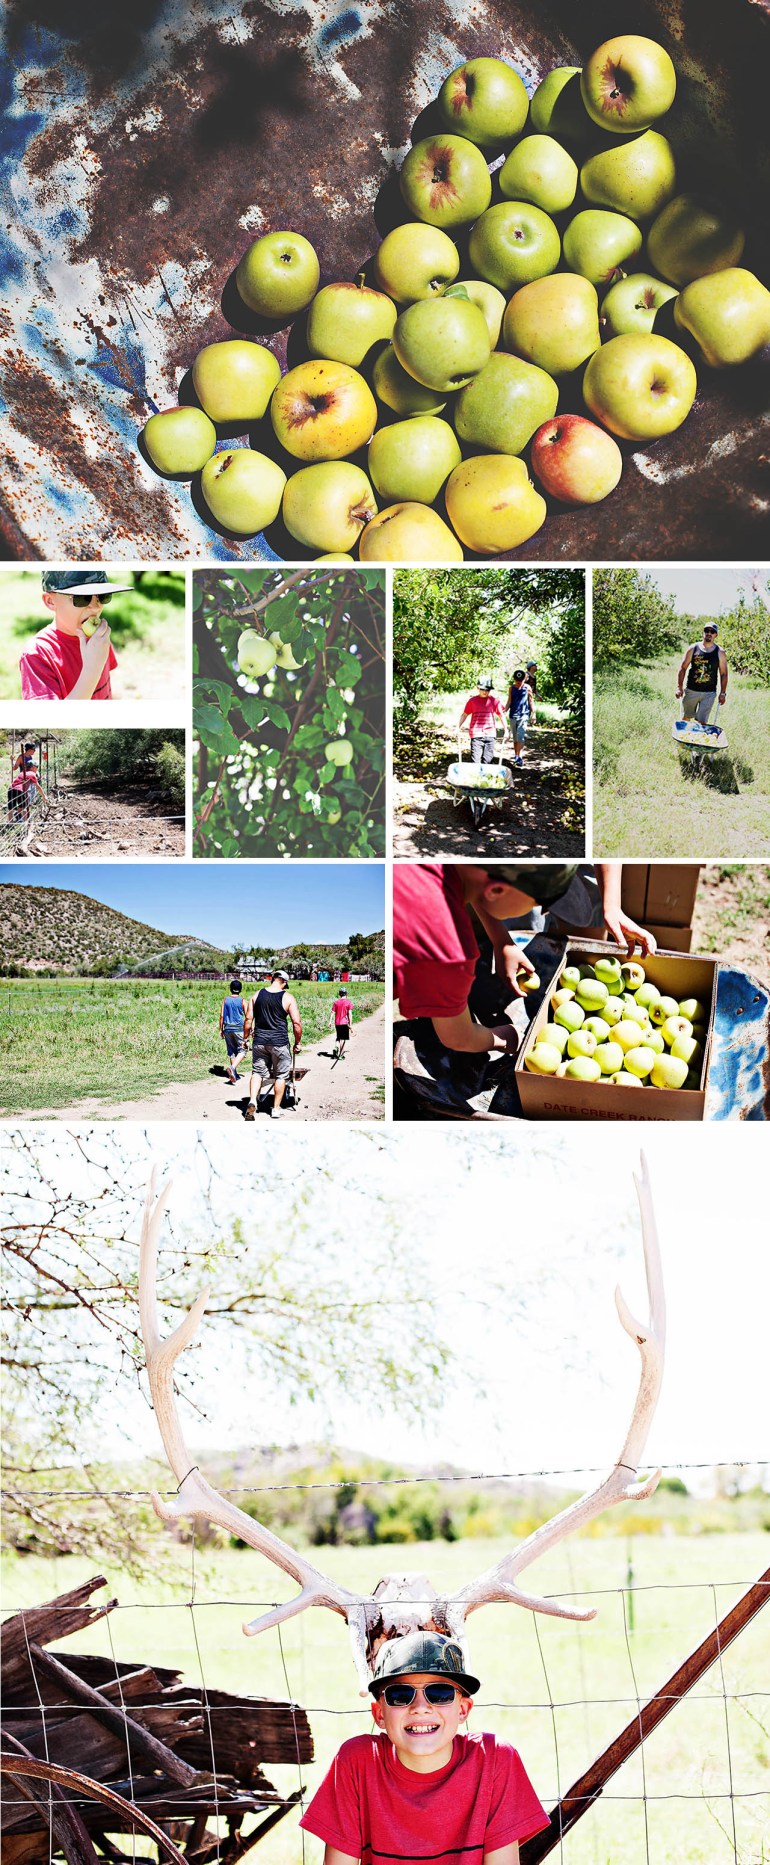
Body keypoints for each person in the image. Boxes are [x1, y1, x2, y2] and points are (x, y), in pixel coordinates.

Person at [300, 1631, 549, 1865]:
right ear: (379, 1714)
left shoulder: (494, 1759)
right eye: (400, 1695)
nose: (420, 1706)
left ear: (462, 1709)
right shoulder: (358, 1761)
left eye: (439, 1694)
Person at [393, 863, 656, 1057]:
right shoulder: (450, 951)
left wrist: (501, 939)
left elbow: (472, 883)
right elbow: (459, 1038)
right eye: (540, 902)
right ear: (497, 889)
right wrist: (505, 1037)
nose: (545, 912)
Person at [19, 570, 132, 701]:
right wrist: (91, 670)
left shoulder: (98, 639)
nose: (95, 607)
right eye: (82, 598)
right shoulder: (37, 655)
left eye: (102, 596)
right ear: (50, 601)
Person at [243, 969, 302, 1120]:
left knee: (257, 1073)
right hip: (279, 1043)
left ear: (273, 979)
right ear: (284, 981)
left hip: (259, 1042)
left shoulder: (257, 995)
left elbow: (248, 1020)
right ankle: (275, 1109)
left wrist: (245, 1039)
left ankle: (252, 1101)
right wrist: (298, 1043)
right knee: (281, 1076)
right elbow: (297, 1023)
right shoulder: (288, 997)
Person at [676, 622, 728, 726]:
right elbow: (683, 668)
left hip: (709, 693)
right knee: (686, 718)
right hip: (691, 690)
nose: (709, 633)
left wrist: (723, 693)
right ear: (703, 632)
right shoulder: (693, 648)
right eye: (706, 630)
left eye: (712, 631)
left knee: (702, 722)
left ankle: (698, 742)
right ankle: (684, 740)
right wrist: (679, 687)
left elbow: (724, 674)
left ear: (716, 635)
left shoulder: (720, 652)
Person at [459, 676, 507, 768]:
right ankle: (476, 780)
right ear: (478, 688)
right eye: (483, 689)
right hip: (476, 734)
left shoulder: (494, 701)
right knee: (476, 762)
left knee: (488, 761)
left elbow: (501, 715)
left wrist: (506, 730)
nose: (485, 692)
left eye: (487, 690)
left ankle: (485, 780)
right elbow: (464, 714)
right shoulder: (472, 701)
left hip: (490, 734)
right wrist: (458, 727)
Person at [7, 742, 48, 820]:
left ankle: (20, 815)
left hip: (29, 780)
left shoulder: (30, 757)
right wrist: (12, 760)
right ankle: (22, 818)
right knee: (24, 800)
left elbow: (33, 768)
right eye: (33, 750)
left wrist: (37, 773)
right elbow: (14, 768)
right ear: (29, 750)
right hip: (23, 781)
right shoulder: (21, 757)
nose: (34, 751)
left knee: (28, 798)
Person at [506, 669, 536, 768]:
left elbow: (531, 701)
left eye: (520, 681)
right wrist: (504, 710)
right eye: (516, 681)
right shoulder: (511, 688)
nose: (518, 683)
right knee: (515, 738)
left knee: (520, 736)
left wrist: (533, 714)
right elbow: (509, 701)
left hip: (524, 715)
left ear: (524, 679)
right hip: (513, 715)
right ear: (514, 680)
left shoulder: (527, 688)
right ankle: (516, 755)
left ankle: (520, 757)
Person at [219, 979, 246, 1085]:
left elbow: (221, 1015)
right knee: (243, 1051)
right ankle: (232, 1068)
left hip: (228, 1028)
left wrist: (221, 1029)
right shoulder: (243, 1001)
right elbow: (248, 1016)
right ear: (240, 989)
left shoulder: (225, 1000)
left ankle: (233, 1074)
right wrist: (251, 1029)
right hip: (239, 1029)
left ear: (230, 989)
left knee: (232, 1052)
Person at [330, 985, 353, 1058]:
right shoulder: (348, 1002)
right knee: (343, 1039)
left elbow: (332, 1012)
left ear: (339, 994)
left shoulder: (336, 1002)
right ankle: (341, 1054)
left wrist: (330, 1021)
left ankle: (336, 1047)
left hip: (337, 1023)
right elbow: (349, 1014)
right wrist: (350, 1024)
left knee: (338, 1037)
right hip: (344, 1022)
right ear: (346, 994)